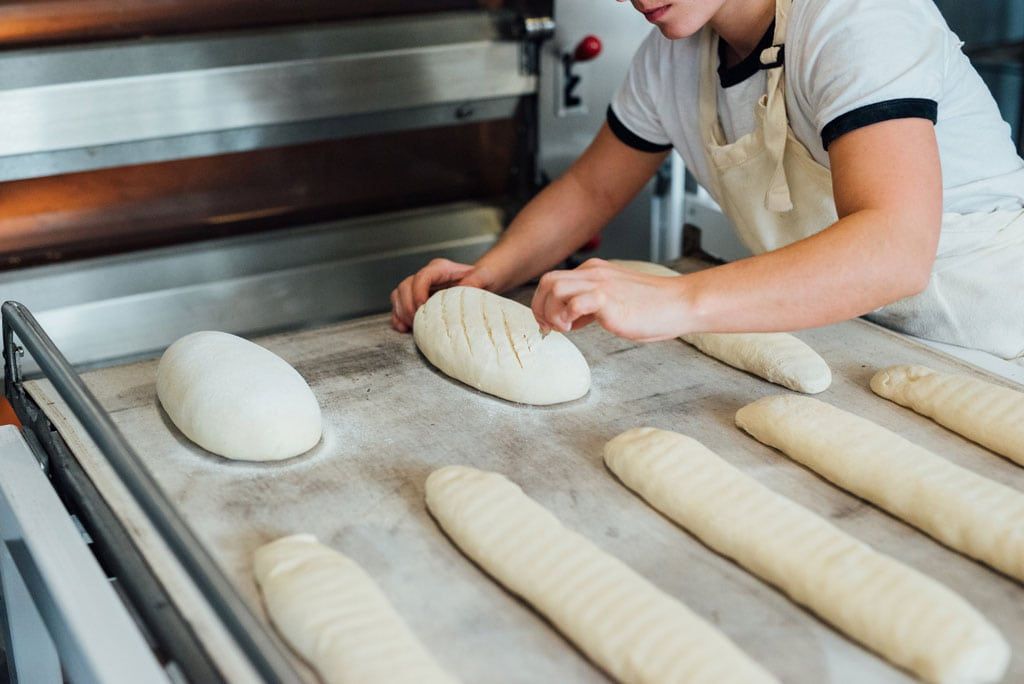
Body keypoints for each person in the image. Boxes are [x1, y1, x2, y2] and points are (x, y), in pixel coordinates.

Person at [391, 0, 1024, 363]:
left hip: (991, 342)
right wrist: (488, 275)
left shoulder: (855, 17)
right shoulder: (675, 56)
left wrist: (674, 301)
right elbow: (590, 191)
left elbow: (895, 251)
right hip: (854, 341)